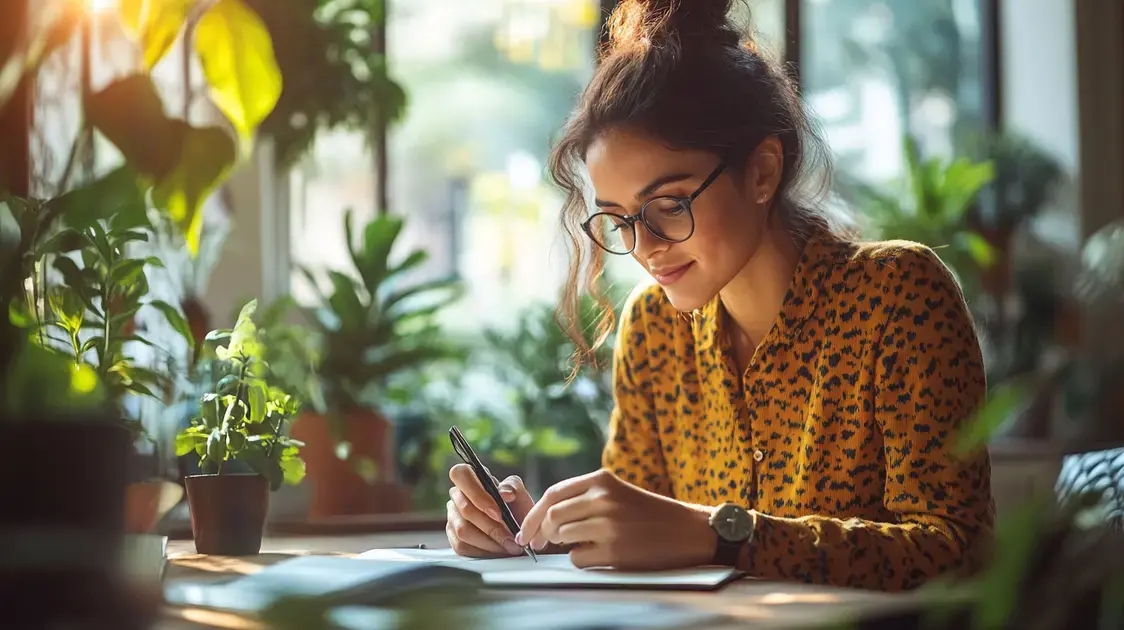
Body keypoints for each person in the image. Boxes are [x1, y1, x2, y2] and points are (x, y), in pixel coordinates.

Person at [445, 0, 994, 592]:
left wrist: (725, 534)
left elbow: (956, 550)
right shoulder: (653, 329)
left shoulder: (898, 297)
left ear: (761, 173)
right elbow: (646, 533)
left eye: (670, 205)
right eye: (619, 219)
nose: (644, 247)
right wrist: (543, 533)